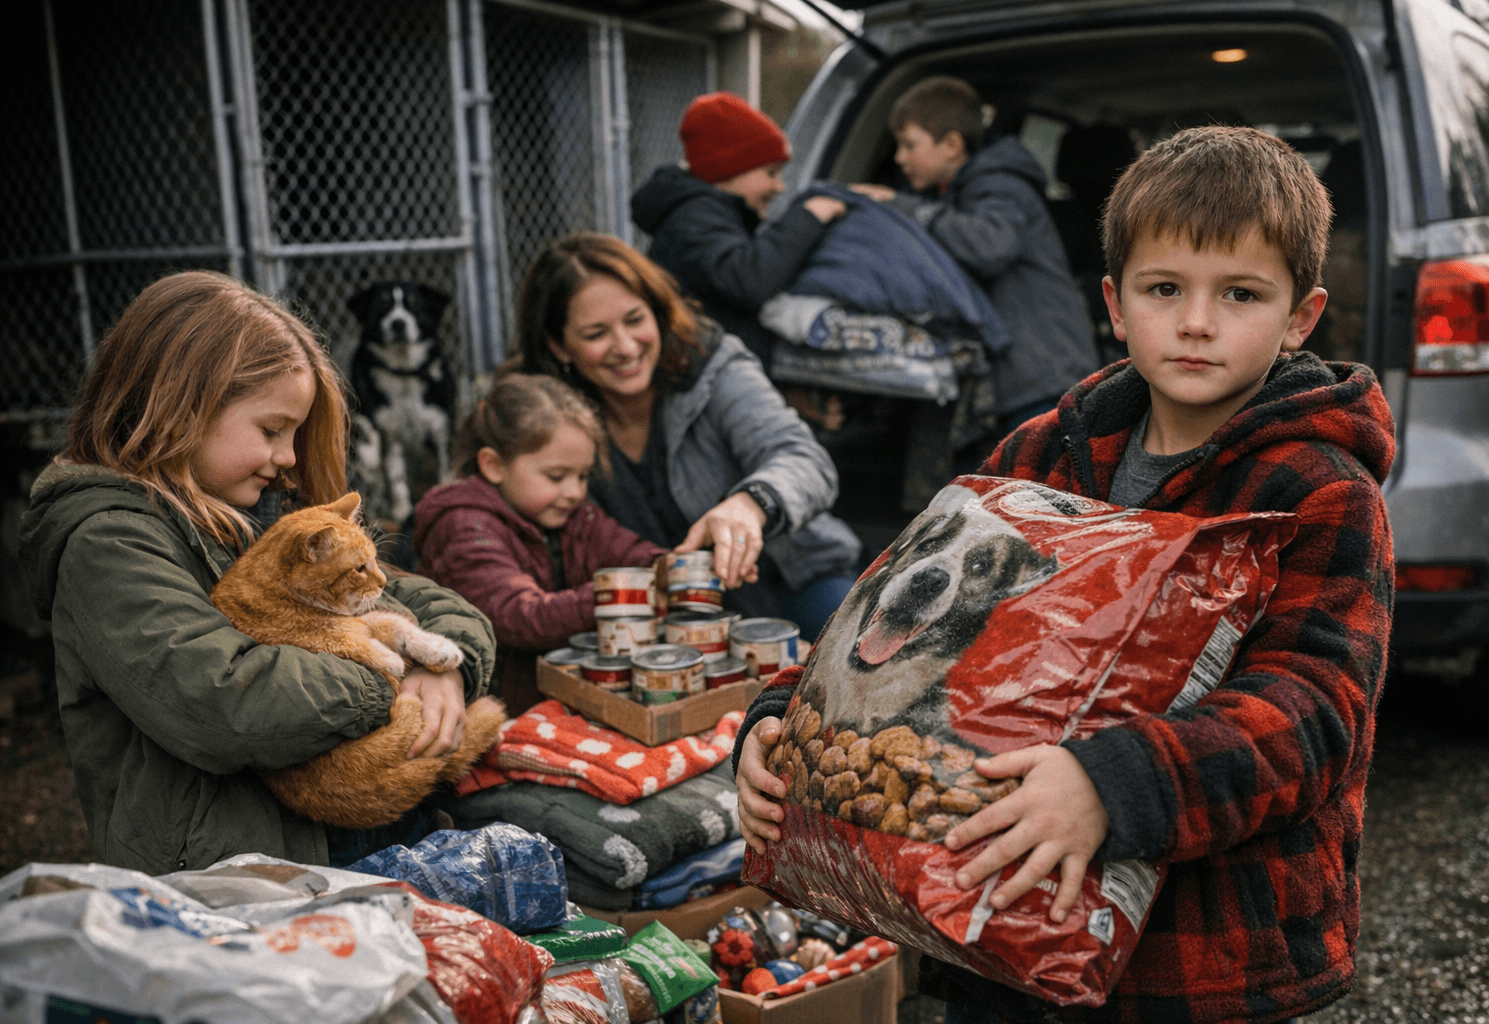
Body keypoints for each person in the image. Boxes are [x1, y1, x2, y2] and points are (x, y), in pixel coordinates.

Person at [738, 125, 1396, 1023]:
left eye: (1241, 293)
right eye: (1165, 288)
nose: (1197, 321)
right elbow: (904, 618)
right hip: (1000, 914)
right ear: (1117, 306)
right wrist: (783, 718)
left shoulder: (1320, 491)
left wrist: (1117, 784)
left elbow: (1312, 714)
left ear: (1300, 317)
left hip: (1197, 964)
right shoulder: (1043, 454)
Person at [18, 270, 497, 875]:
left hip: (334, 846)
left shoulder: (257, 512)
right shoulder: (109, 543)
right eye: (272, 430)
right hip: (234, 882)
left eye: (295, 434)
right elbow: (229, 702)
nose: (289, 457)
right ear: (178, 405)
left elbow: (423, 598)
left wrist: (448, 670)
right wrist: (394, 672)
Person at [515, 232, 864, 637]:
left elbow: (806, 461)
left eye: (635, 320)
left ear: (657, 312)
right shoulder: (540, 417)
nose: (626, 347)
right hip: (654, 620)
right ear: (558, 346)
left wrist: (751, 504)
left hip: (795, 585)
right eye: (596, 334)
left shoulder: (716, 367)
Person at [853, 76, 1100, 432]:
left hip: (1043, 376)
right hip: (1032, 374)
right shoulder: (970, 189)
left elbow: (990, 244)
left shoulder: (999, 184)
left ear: (952, 145)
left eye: (909, 145)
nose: (900, 157)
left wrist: (907, 208)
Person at [414, 373, 667, 714]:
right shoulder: (463, 525)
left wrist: (668, 569)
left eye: (582, 476)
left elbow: (627, 551)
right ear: (494, 465)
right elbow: (522, 616)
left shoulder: (572, 514)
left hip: (549, 704)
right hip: (488, 712)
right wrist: (615, 594)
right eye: (557, 476)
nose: (575, 491)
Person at [631, 91, 848, 364]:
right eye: (771, 173)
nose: (779, 187)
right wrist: (809, 216)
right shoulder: (693, 219)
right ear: (728, 170)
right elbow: (748, 279)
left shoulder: (709, 215)